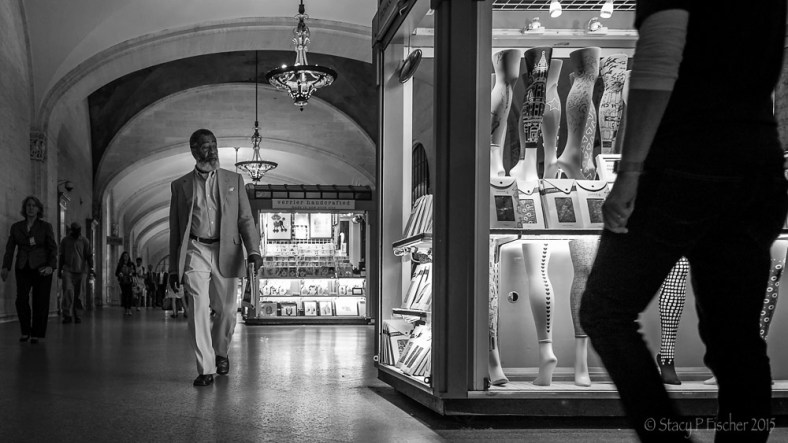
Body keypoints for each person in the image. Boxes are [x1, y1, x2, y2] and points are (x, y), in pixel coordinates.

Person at [579, 2, 786, 442]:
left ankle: (668, 438)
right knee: (737, 339)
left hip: (684, 161)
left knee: (606, 310)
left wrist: (630, 172)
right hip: (757, 161)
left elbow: (659, 58)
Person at [169, 128, 263, 387]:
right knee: (197, 309)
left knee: (228, 311)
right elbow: (176, 230)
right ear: (193, 151)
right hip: (195, 250)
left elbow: (245, 219)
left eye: (213, 145)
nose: (210, 150)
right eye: (204, 146)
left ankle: (221, 351)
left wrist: (253, 251)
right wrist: (172, 268)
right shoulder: (180, 186)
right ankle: (205, 367)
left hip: (227, 250)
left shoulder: (234, 180)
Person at [1, 196, 58, 343]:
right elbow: (9, 249)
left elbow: (53, 248)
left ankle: (36, 333)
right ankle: (25, 331)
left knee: (40, 301)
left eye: (33, 205)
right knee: (21, 300)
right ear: (24, 208)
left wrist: (51, 266)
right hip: (22, 266)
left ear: (38, 209)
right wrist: (5, 266)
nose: (30, 208)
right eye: (28, 205)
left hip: (42, 267)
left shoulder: (45, 226)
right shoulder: (16, 227)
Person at [58, 221, 94, 324]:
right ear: (71, 230)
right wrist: (60, 270)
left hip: (81, 271)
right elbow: (61, 256)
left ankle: (77, 315)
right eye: (75, 230)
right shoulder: (65, 241)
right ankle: (67, 314)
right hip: (68, 270)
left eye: (79, 230)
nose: (78, 232)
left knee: (79, 295)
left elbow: (89, 256)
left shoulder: (84, 241)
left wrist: (91, 269)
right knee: (68, 292)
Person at [115, 251, 136, 316]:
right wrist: (119, 274)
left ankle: (129, 309)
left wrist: (132, 272)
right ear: (122, 257)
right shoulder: (120, 264)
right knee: (124, 295)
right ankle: (125, 309)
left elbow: (135, 273)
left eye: (127, 256)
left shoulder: (131, 264)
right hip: (122, 281)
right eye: (124, 256)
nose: (126, 257)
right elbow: (116, 273)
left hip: (129, 281)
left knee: (129, 294)